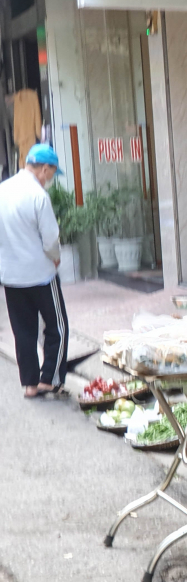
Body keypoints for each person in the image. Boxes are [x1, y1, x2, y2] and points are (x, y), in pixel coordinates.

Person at [0, 143, 69, 397]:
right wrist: (56, 259)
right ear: (44, 168)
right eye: (51, 173)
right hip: (41, 275)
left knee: (23, 331)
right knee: (57, 327)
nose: (50, 178)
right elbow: (51, 238)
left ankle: (29, 385)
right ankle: (49, 379)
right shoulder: (38, 195)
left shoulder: (2, 190)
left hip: (10, 276)